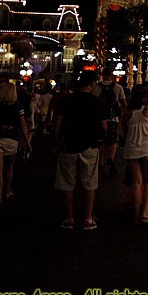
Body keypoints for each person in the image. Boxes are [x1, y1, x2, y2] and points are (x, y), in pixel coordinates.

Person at [52, 71, 108, 231]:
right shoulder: (97, 102)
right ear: (91, 84)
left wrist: (56, 141)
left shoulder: (67, 100)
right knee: (89, 182)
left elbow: (57, 124)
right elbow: (104, 126)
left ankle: (69, 218)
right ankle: (88, 218)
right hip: (90, 145)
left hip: (68, 145)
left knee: (68, 183)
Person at [121, 83, 148, 226]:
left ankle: (136, 214)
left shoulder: (127, 111)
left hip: (132, 149)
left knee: (136, 182)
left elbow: (124, 131)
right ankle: (145, 212)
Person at [93, 67, 127, 176]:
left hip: (99, 118)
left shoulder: (96, 88)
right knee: (113, 141)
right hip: (113, 118)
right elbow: (123, 104)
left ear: (102, 75)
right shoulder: (118, 87)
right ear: (111, 75)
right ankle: (111, 158)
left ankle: (101, 163)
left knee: (101, 142)